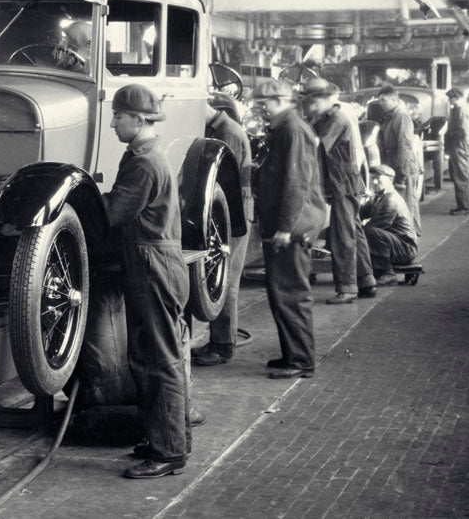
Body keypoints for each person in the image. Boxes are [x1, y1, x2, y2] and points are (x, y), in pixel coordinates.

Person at [102, 84, 190, 479]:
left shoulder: (143, 162)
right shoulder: (145, 155)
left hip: (152, 265)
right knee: (151, 357)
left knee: (158, 361)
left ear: (138, 119)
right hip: (153, 264)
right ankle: (166, 438)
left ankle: (168, 451)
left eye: (118, 116)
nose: (113, 122)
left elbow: (114, 213)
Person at [251, 79, 328, 379]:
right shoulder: (284, 129)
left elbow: (296, 184)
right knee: (281, 291)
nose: (261, 109)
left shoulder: (292, 130)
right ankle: (292, 355)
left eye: (264, 103)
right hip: (288, 226)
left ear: (280, 100)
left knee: (290, 292)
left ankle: (301, 361)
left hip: (293, 228)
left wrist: (285, 227)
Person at [299, 78, 376, 304]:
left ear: (322, 100)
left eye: (311, 103)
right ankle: (366, 280)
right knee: (354, 230)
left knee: (342, 234)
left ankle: (347, 288)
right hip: (346, 182)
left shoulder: (337, 119)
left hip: (344, 183)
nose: (309, 107)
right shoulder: (330, 116)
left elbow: (315, 146)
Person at [192, 93, 253, 367]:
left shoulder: (229, 135)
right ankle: (219, 340)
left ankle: (223, 345)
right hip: (229, 213)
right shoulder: (223, 130)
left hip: (233, 215)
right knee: (221, 278)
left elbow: (224, 180)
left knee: (224, 280)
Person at [375, 85, 422, 236]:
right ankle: (410, 236)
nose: (381, 103)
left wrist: (401, 173)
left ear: (395, 100)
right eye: (379, 100)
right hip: (396, 163)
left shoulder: (401, 117)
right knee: (404, 203)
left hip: (404, 165)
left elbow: (405, 146)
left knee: (407, 204)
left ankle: (412, 238)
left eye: (384, 100)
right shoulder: (391, 117)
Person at [362, 164, 419, 286]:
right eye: (372, 178)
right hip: (396, 244)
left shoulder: (391, 200)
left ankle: (388, 273)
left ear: (390, 180)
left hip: (405, 248)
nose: (374, 182)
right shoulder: (379, 197)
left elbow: (375, 226)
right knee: (366, 232)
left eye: (378, 178)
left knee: (370, 232)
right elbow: (360, 213)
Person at [444, 87, 469, 215]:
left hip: (459, 146)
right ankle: (462, 205)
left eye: (451, 98)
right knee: (458, 175)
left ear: (457, 98)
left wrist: (449, 134)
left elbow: (463, 131)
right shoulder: (457, 110)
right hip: (457, 146)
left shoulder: (460, 110)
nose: (450, 100)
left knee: (461, 176)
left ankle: (464, 207)